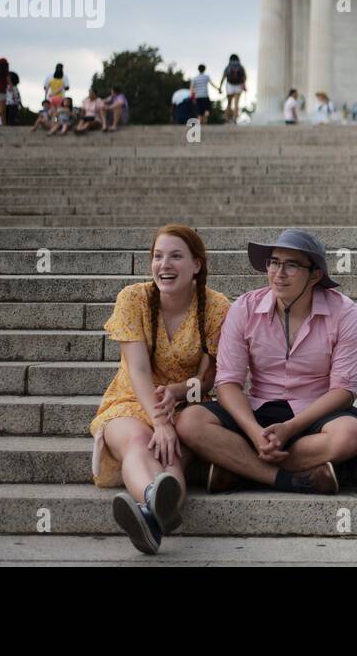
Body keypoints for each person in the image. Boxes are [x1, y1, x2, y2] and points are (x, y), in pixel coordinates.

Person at [175, 229, 357, 498]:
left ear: (314, 275)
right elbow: (228, 382)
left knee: (350, 435)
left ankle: (239, 467)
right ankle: (291, 480)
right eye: (274, 262)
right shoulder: (245, 308)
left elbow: (343, 390)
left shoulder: (344, 313)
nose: (279, 273)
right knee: (189, 421)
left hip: (314, 412)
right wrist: (254, 433)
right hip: (258, 409)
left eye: (291, 265)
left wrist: (290, 428)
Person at [90, 225, 231, 555]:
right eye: (157, 256)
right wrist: (161, 422)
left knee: (170, 459)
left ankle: (149, 516)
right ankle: (155, 501)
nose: (164, 265)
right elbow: (137, 370)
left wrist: (179, 394)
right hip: (130, 398)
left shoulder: (215, 307)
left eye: (176, 256)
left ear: (197, 264)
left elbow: (209, 378)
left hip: (183, 406)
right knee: (141, 441)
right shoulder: (133, 299)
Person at [219, 54, 247, 124]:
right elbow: (244, 77)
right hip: (239, 85)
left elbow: (223, 77)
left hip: (230, 85)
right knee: (236, 103)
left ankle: (227, 119)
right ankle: (235, 119)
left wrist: (220, 87)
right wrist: (244, 85)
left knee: (229, 103)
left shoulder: (228, 67)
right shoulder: (240, 67)